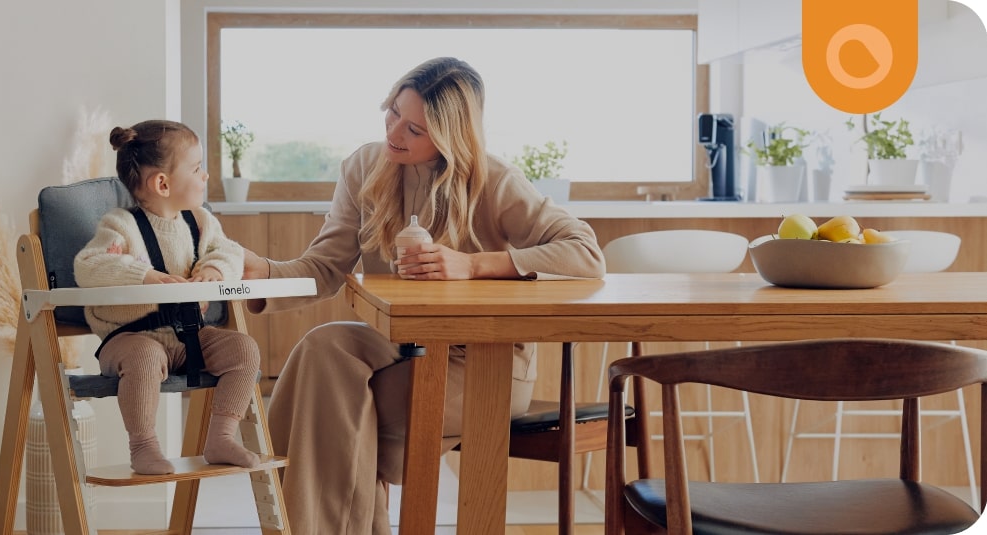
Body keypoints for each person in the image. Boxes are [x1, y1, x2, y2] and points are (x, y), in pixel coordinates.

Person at [242, 57, 606, 533]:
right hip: (404, 343)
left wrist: (474, 265)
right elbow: (325, 268)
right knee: (323, 349)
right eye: (393, 113)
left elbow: (585, 252)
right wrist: (259, 273)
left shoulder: (493, 180)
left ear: (451, 135)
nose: (395, 132)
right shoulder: (364, 167)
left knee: (338, 408)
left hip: (482, 362)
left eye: (415, 129)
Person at [74, 120, 261, 475]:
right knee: (145, 356)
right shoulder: (120, 226)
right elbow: (90, 266)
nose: (205, 176)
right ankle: (143, 445)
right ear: (162, 183)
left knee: (244, 349)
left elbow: (229, 252)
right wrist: (144, 275)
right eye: (196, 168)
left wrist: (214, 271)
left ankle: (221, 436)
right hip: (130, 340)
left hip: (188, 335)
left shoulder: (201, 222)